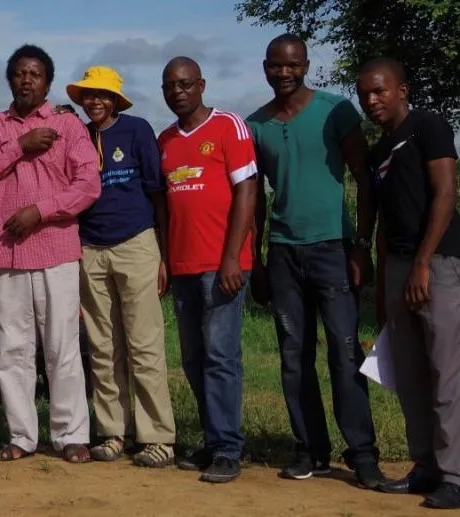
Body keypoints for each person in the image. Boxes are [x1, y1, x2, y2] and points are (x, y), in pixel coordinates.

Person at [245, 34, 384, 487]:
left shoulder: (336, 110)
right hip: (284, 252)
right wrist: (260, 261)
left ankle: (363, 455)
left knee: (345, 353)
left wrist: (361, 244)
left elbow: (364, 180)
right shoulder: (257, 124)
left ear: (305, 65)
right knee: (293, 356)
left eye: (293, 65)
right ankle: (311, 451)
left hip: (333, 250)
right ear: (265, 67)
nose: (284, 74)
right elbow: (256, 202)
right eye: (276, 66)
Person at [0, 44, 101, 464]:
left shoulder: (67, 126)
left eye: (36, 73)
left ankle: (71, 435)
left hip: (56, 249)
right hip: (6, 253)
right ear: (10, 80)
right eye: (20, 73)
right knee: (12, 350)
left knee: (62, 347)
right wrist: (19, 145)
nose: (27, 79)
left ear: (47, 82)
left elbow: (88, 185)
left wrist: (40, 212)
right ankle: (22, 437)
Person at [358, 58, 460, 510]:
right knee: (409, 374)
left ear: (402, 90)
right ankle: (425, 466)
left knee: (444, 371)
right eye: (365, 93)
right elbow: (386, 222)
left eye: (380, 91)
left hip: (438, 262)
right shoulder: (378, 151)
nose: (371, 101)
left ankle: (458, 475)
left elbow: (446, 193)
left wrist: (424, 263)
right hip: (398, 266)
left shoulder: (429, 127)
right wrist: (385, 288)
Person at [65, 65, 176, 467]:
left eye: (102, 95)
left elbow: (157, 192)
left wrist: (162, 252)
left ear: (115, 99)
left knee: (144, 345)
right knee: (102, 347)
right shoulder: (75, 134)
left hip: (136, 243)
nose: (95, 101)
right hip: (90, 248)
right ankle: (114, 432)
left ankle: (158, 437)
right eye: (89, 95)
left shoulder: (137, 130)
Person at [157, 57, 258, 483]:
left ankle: (228, 449)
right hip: (182, 265)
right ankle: (215, 439)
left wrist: (232, 257)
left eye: (184, 84)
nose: (177, 91)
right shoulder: (164, 141)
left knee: (221, 357)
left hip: (221, 265)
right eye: (169, 86)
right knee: (195, 358)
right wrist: (164, 258)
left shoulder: (227, 126)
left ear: (201, 84)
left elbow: (248, 190)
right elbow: (163, 207)